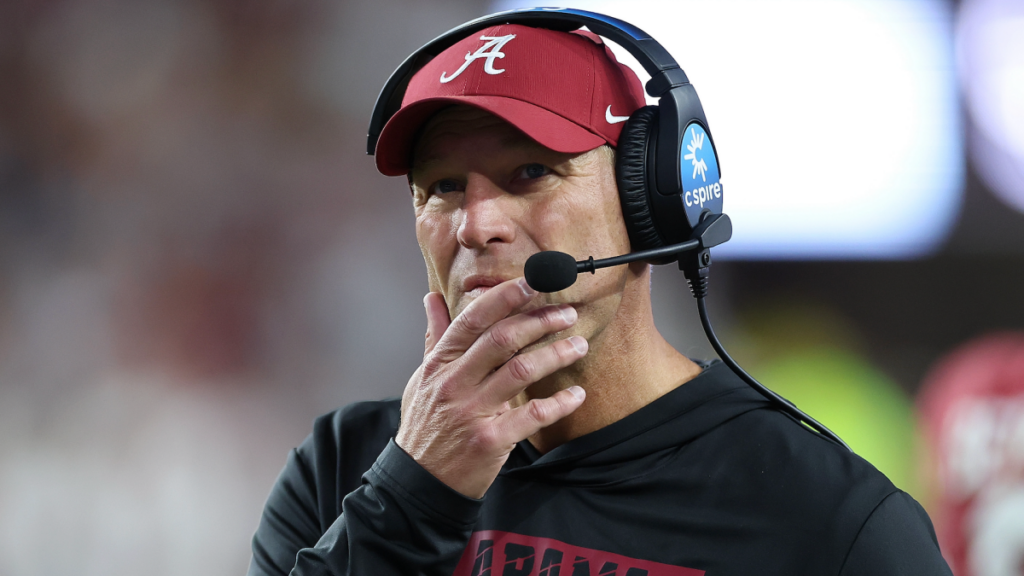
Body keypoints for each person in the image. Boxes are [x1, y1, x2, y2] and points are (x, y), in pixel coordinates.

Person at [247, 14, 952, 576]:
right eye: (443, 187)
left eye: (531, 172)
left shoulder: (827, 518)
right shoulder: (346, 467)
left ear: (653, 199)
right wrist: (412, 498)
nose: (476, 225)